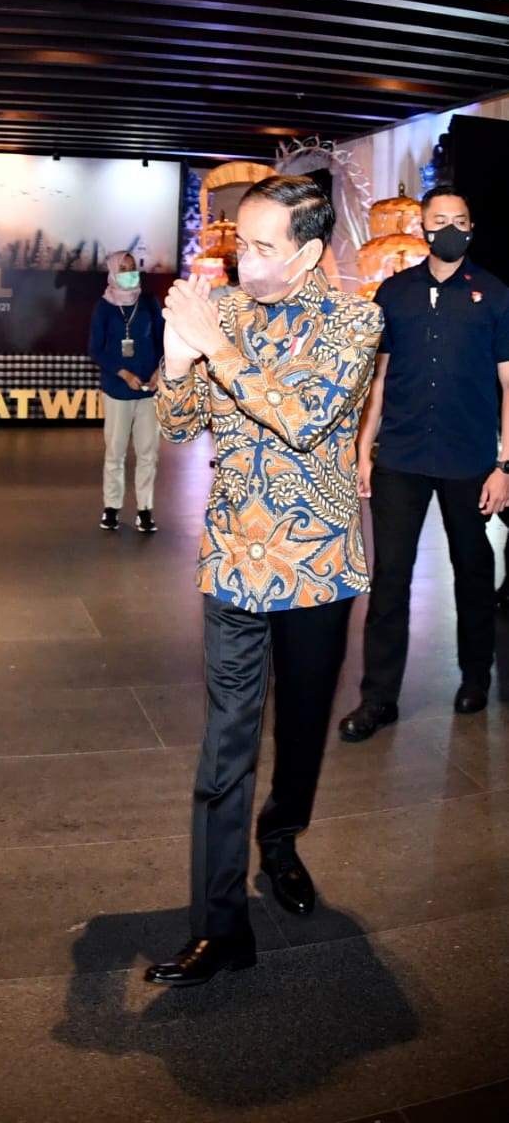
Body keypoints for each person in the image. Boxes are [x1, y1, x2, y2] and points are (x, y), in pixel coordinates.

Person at [143, 175, 383, 988]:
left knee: (303, 730)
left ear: (308, 253)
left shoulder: (355, 320)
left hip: (317, 569)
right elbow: (180, 424)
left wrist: (213, 347)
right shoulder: (225, 312)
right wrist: (177, 359)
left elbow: (306, 418)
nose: (241, 259)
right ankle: (220, 927)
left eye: (260, 247)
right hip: (233, 563)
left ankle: (280, 838)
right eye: (237, 242)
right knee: (225, 748)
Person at [338, 186, 509, 740]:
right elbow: (379, 379)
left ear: (471, 227)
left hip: (470, 459)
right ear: (424, 228)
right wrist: (363, 451)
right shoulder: (394, 292)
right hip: (402, 458)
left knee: (473, 573)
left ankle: (475, 677)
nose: (452, 228)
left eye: (461, 219)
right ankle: (378, 698)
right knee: (389, 579)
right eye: (441, 220)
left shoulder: (495, 294)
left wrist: (505, 465)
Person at [89, 251, 164, 532]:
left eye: (132, 267)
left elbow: (163, 341)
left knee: (148, 453)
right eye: (122, 268)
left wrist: (159, 371)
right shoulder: (104, 307)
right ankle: (111, 507)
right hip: (117, 390)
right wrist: (123, 373)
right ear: (112, 272)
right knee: (115, 452)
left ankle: (145, 509)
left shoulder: (149, 302)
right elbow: (95, 350)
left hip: (149, 391)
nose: (129, 272)